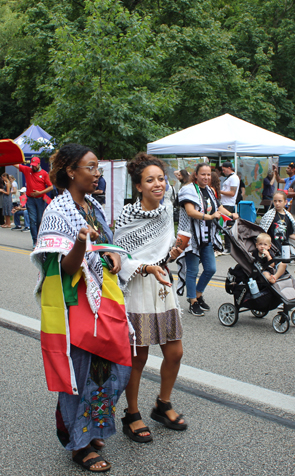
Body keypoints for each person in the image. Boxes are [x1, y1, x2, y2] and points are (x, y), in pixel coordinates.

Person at [31, 143, 131, 473]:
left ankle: (90, 427)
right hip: (75, 304)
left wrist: (113, 254)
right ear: (72, 171)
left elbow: (106, 243)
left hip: (106, 300)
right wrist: (78, 243)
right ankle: (79, 443)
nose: (98, 174)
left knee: (113, 369)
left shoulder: (92, 207)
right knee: (82, 371)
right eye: (92, 168)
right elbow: (66, 268)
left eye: (99, 168)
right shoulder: (57, 212)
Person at [114, 153, 185, 443]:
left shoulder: (168, 209)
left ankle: (162, 404)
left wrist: (172, 254)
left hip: (162, 284)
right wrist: (145, 266)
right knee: (138, 356)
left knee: (175, 352)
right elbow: (118, 255)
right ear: (138, 186)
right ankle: (132, 414)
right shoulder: (127, 216)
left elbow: (162, 249)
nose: (158, 184)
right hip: (138, 288)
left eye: (160, 178)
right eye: (150, 180)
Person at [177, 163, 239, 316]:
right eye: (203, 174)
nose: (206, 177)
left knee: (211, 268)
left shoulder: (210, 190)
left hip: (206, 235)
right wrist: (209, 217)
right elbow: (190, 212)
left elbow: (218, 208)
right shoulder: (188, 190)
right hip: (191, 237)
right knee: (192, 271)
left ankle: (198, 294)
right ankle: (192, 301)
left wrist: (231, 215)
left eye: (208, 174)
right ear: (196, 175)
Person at [14, 156, 53, 247]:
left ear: (39, 164)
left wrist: (40, 192)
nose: (33, 167)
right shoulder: (27, 170)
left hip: (40, 199)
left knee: (39, 220)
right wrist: (7, 158)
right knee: (32, 220)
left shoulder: (44, 174)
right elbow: (16, 165)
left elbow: (51, 187)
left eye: (35, 165)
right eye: (32, 165)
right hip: (30, 199)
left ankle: (40, 239)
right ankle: (35, 241)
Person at [260, 190, 295, 261]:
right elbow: (263, 231)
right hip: (271, 248)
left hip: (284, 249)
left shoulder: (288, 217)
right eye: (275, 201)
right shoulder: (269, 216)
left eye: (280, 201)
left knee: (282, 266)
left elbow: (289, 234)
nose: (277, 203)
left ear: (285, 202)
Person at [220, 161, 240, 253]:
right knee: (225, 225)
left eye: (224, 170)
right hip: (225, 203)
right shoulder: (229, 178)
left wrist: (220, 191)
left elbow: (232, 193)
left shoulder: (234, 178)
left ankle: (229, 247)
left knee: (227, 225)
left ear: (229, 168)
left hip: (229, 204)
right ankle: (227, 246)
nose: (223, 171)